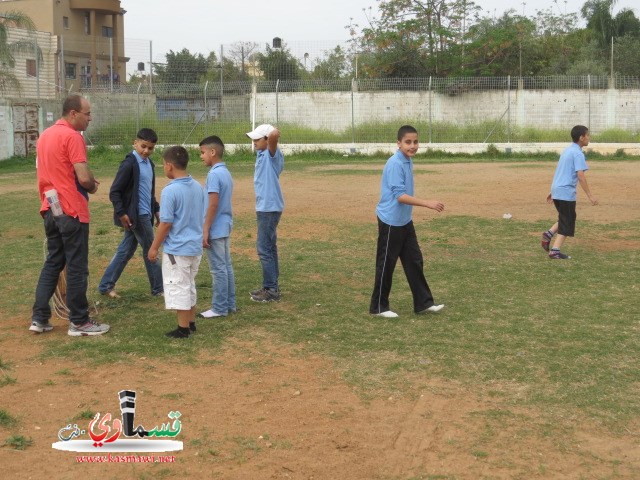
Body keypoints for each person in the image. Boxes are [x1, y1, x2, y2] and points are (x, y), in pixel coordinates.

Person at [30, 94, 110, 336]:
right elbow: (83, 177)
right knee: (76, 267)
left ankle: (39, 318)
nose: (90, 118)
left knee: (53, 262)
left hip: (50, 207)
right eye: (87, 114)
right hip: (71, 210)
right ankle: (80, 321)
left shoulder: (45, 136)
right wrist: (92, 186)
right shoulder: (73, 137)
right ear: (73, 113)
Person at [369, 125, 445, 318]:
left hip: (404, 221)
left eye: (415, 142)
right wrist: (427, 203)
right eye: (408, 142)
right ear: (399, 143)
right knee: (386, 264)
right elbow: (400, 196)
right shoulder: (395, 163)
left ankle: (423, 303)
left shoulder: (407, 160)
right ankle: (378, 307)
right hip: (390, 221)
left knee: (414, 260)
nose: (412, 146)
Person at [148, 146, 205, 339]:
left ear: (169, 166)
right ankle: (191, 321)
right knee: (189, 283)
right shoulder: (198, 187)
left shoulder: (169, 191)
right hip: (195, 247)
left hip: (177, 249)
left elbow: (165, 223)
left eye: (163, 164)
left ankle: (183, 329)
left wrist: (154, 246)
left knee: (178, 285)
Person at [98, 128, 163, 298]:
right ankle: (159, 289)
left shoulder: (150, 165)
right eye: (143, 146)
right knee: (151, 249)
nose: (146, 151)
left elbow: (148, 192)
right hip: (137, 216)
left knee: (125, 250)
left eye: (150, 148)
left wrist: (156, 209)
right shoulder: (129, 164)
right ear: (135, 143)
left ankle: (106, 285)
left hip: (146, 214)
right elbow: (115, 192)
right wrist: (122, 213)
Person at [541, 125, 599, 259]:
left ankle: (548, 234)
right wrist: (590, 196)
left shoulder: (567, 151)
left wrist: (553, 191)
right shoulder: (578, 153)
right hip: (565, 192)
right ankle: (555, 251)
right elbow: (580, 175)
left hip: (558, 190)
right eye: (587, 135)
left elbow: (560, 171)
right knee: (568, 221)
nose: (588, 138)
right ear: (581, 137)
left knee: (566, 217)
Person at [198, 135, 237, 318]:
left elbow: (213, 204)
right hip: (225, 226)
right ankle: (229, 304)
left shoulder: (214, 174)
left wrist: (205, 229)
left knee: (218, 269)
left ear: (212, 152)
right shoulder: (225, 172)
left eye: (202, 152)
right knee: (226, 266)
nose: (201, 156)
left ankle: (220, 307)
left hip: (215, 228)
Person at [246, 124, 284, 302]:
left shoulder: (271, 154)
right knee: (270, 246)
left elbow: (275, 134)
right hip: (266, 207)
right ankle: (272, 285)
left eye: (257, 139)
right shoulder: (262, 155)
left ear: (267, 140)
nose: (254, 143)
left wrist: (270, 135)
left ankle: (270, 289)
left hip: (268, 208)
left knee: (264, 248)